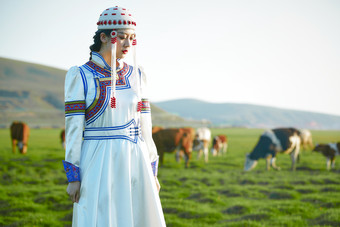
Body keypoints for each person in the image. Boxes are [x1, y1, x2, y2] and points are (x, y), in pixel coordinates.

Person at [62, 6, 166, 226]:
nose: (128, 44)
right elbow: (73, 129)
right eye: (122, 38)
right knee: (99, 216)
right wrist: (74, 176)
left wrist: (152, 169)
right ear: (103, 37)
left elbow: (145, 126)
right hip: (98, 158)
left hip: (134, 158)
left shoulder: (137, 74)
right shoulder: (81, 76)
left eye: (132, 38)